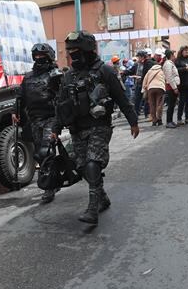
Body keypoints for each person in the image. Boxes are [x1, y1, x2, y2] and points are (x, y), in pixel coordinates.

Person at [53, 31, 139, 226]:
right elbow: (61, 105)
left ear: (87, 50)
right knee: (82, 167)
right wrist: (55, 129)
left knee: (93, 164)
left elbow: (121, 98)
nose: (72, 54)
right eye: (70, 51)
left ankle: (93, 209)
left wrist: (133, 121)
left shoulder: (105, 71)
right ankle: (102, 197)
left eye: (76, 50)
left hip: (99, 126)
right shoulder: (69, 76)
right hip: (77, 128)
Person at [15, 43, 61, 203]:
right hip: (34, 120)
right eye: (37, 56)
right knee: (39, 154)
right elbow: (20, 96)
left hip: (51, 118)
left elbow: (63, 97)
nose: (39, 58)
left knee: (45, 151)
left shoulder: (55, 75)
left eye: (42, 56)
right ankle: (53, 179)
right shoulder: (28, 77)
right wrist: (16, 112)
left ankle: (49, 187)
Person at [143, 54, 166, 126]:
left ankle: (154, 120)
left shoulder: (149, 71)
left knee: (152, 105)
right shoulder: (161, 71)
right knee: (159, 104)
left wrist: (144, 90)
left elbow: (144, 81)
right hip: (160, 88)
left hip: (151, 88)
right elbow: (165, 79)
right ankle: (159, 119)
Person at [162, 49, 181, 128]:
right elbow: (169, 77)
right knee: (170, 105)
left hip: (172, 86)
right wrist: (174, 88)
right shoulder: (168, 64)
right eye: (173, 55)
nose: (174, 56)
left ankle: (170, 120)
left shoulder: (170, 63)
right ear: (170, 55)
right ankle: (168, 121)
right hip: (171, 87)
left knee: (172, 105)